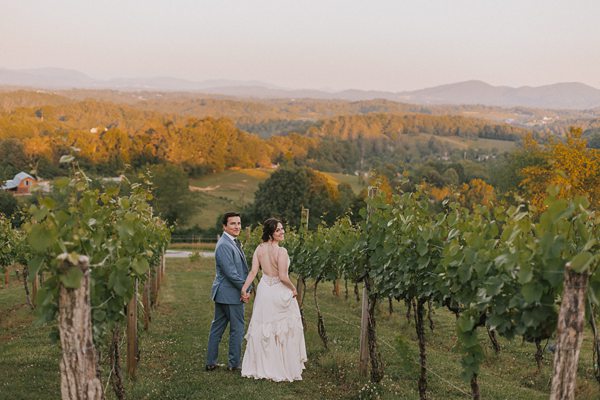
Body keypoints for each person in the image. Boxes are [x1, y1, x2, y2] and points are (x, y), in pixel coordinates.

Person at [240, 218, 307, 381]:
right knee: (282, 329)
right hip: (278, 291)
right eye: (278, 230)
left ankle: (261, 365)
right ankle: (280, 366)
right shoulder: (281, 252)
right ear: (271, 233)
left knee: (263, 326)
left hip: (264, 290)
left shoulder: (259, 248)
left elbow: (253, 272)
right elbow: (283, 277)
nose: (282, 232)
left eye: (282, 229)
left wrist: (244, 288)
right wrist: (293, 288)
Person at [206, 212, 250, 372]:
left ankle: (211, 362)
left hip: (224, 293)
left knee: (217, 328)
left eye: (239, 223)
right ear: (224, 226)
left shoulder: (231, 242)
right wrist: (245, 289)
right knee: (237, 329)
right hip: (230, 294)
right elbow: (231, 273)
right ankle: (234, 363)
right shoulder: (225, 244)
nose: (237, 226)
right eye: (233, 224)